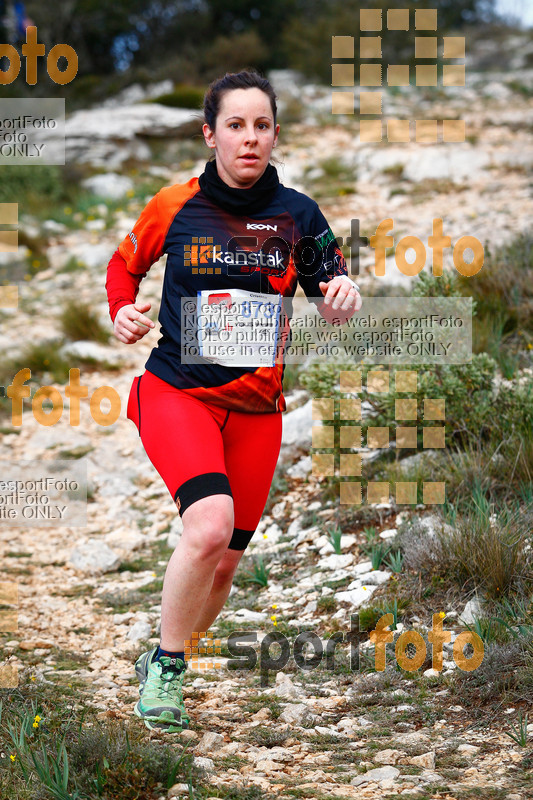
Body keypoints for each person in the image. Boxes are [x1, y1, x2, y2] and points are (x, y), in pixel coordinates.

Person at [106, 69, 362, 733]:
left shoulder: (300, 215)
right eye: (234, 125)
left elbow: (331, 291)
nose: (249, 138)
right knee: (208, 526)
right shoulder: (174, 205)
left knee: (223, 566)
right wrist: (120, 312)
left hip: (256, 411)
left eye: (261, 125)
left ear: (274, 133)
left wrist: (341, 296)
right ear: (210, 133)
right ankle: (167, 668)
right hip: (177, 392)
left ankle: (169, 650)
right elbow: (123, 265)